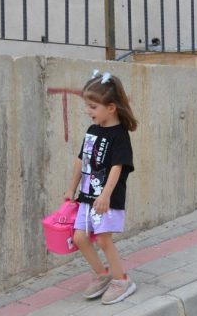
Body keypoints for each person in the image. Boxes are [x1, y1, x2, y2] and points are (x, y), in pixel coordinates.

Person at [63, 70, 138, 304]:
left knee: (104, 240)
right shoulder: (92, 131)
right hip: (87, 197)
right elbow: (80, 160)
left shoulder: (119, 136)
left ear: (112, 107)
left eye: (93, 106)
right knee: (80, 238)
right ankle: (102, 274)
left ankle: (122, 280)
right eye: (88, 105)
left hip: (106, 199)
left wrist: (105, 195)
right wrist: (71, 189)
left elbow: (118, 167)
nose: (88, 111)